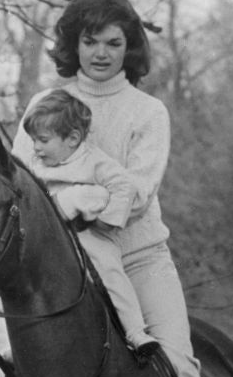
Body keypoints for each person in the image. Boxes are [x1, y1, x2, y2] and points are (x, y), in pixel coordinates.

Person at [0, 0, 225, 377]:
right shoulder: (45, 104)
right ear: (73, 43)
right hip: (62, 269)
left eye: (115, 42)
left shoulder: (148, 112)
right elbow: (18, 182)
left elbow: (139, 189)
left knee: (175, 357)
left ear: (130, 48)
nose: (102, 53)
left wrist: (66, 203)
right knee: (13, 366)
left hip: (137, 258)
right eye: (91, 41)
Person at [21, 88, 153, 351]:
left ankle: (136, 331)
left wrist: (108, 220)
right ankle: (24, 344)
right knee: (30, 283)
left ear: (72, 138)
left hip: (87, 234)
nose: (36, 147)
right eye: (34, 140)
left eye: (43, 140)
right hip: (52, 239)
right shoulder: (37, 163)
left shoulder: (94, 161)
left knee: (109, 273)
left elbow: (124, 187)